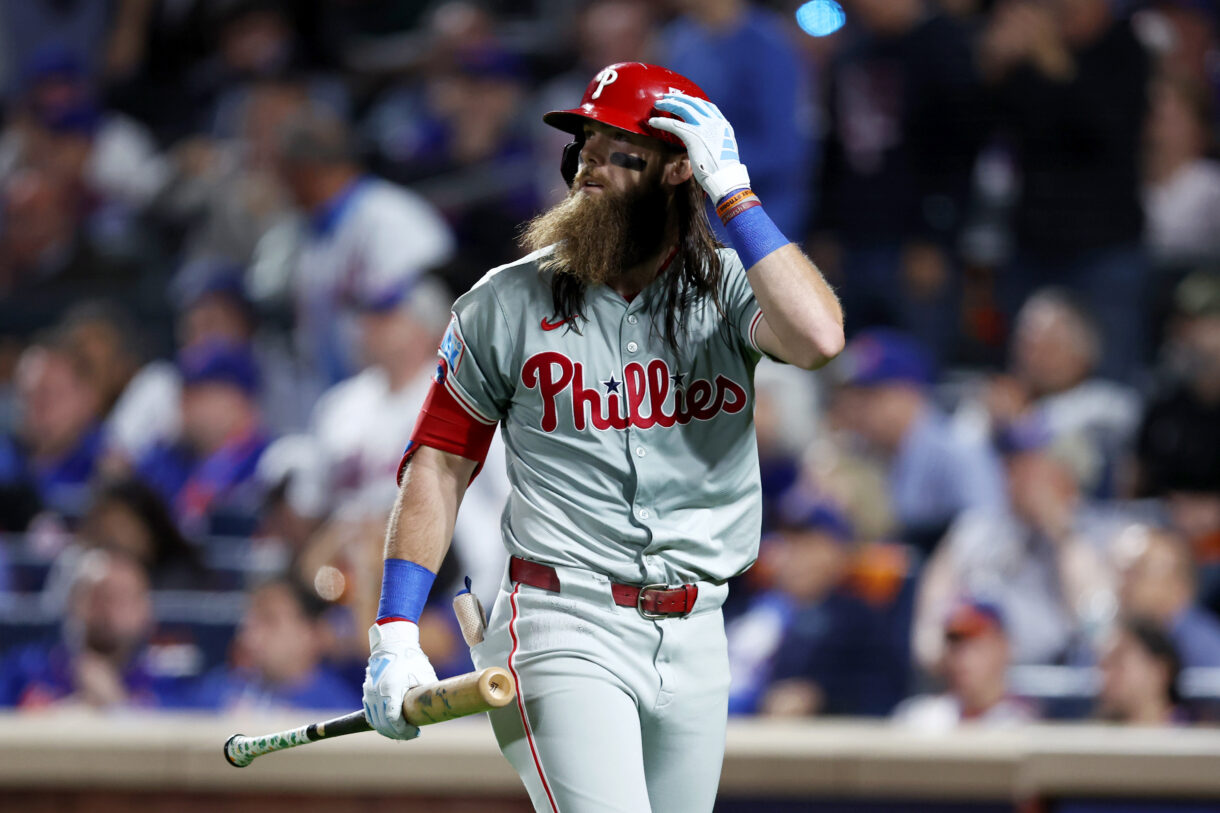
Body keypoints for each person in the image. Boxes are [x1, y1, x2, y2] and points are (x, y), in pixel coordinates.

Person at [360, 62, 844, 811]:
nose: (590, 169)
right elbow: (440, 463)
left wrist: (737, 197)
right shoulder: (506, 300)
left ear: (680, 170)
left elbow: (817, 338)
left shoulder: (726, 285)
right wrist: (394, 630)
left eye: (623, 154)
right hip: (564, 616)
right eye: (586, 147)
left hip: (699, 625)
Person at [833, 328, 1006, 551]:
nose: (858, 409)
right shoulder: (865, 454)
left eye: (870, 395)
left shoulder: (958, 451)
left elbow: (989, 531)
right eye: (855, 398)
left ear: (909, 392)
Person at [187, 577, 362, 712]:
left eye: (269, 620)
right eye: (249, 621)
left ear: (310, 633)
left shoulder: (338, 710)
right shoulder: (219, 689)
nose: (250, 634)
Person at [893, 599, 1036, 729]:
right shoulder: (920, 717)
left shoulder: (1024, 723)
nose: (964, 659)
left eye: (976, 646)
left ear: (1004, 648)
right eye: (956, 647)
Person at [1114, 524, 1220, 668]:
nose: (1125, 583)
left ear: (1178, 586)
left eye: (1138, 571)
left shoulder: (1208, 648)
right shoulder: (1113, 639)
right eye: (1124, 572)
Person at [1097, 616, 1186, 726]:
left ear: (1160, 671)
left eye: (1118, 664)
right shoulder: (1090, 737)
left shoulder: (1198, 735)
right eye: (1104, 667)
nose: (1106, 677)